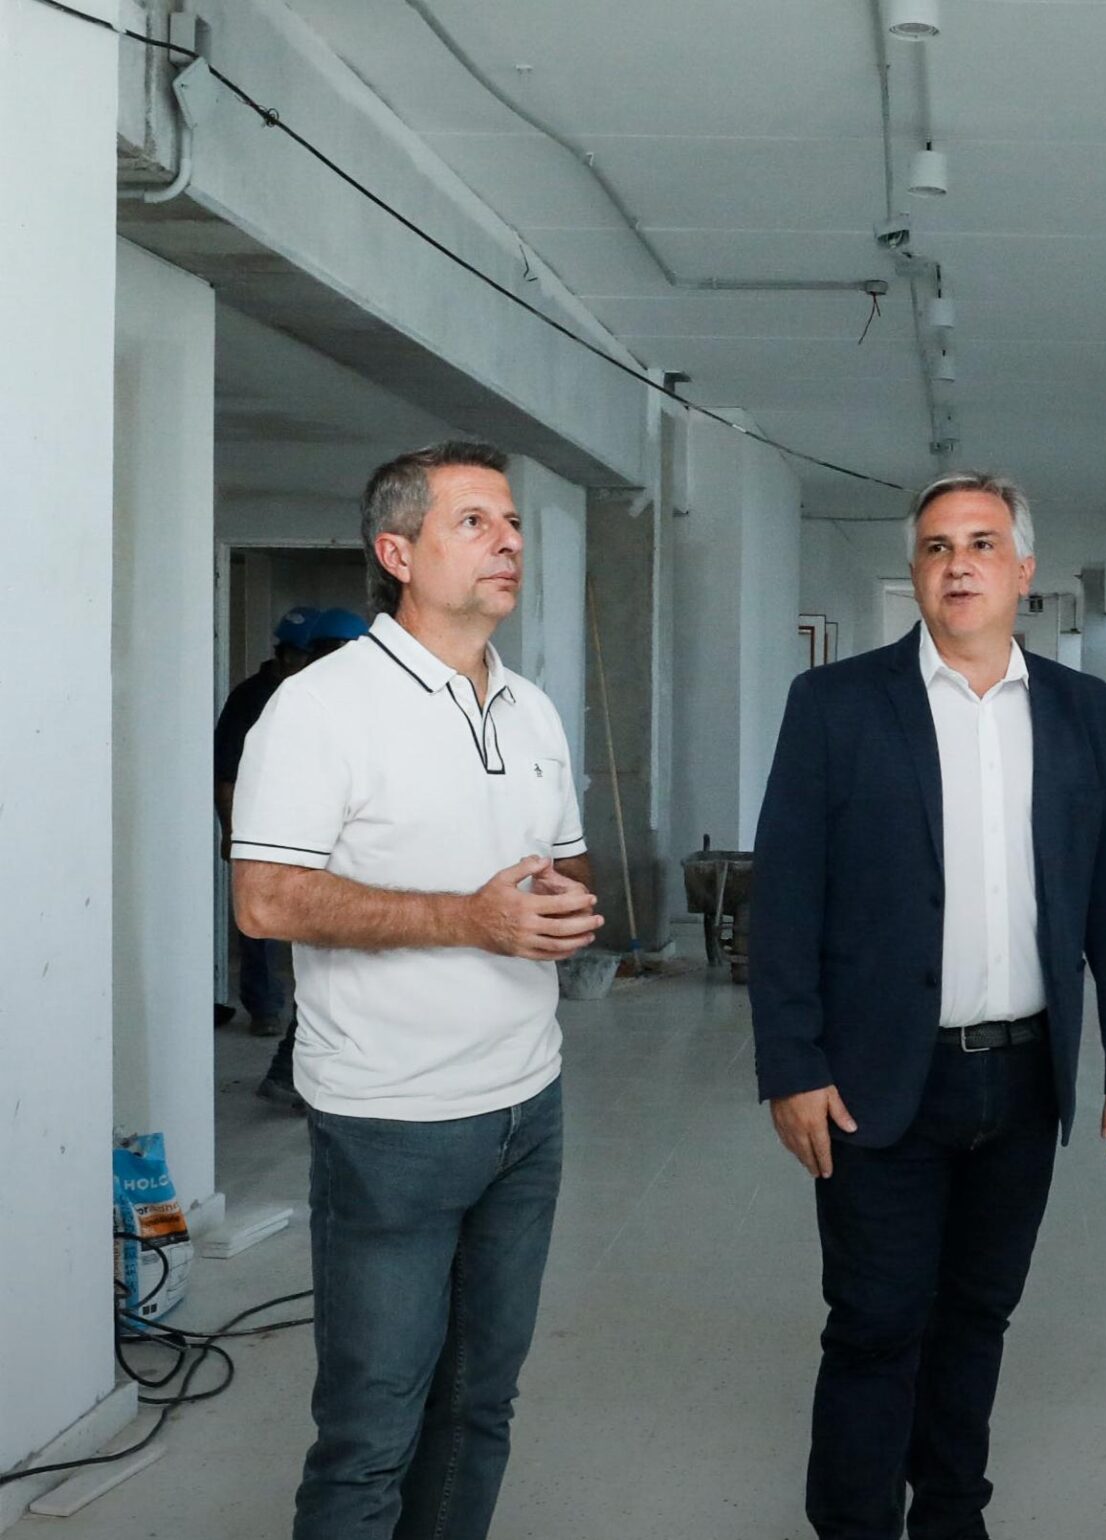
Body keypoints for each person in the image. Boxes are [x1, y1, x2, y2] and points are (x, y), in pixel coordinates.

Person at [751, 470, 1106, 1540]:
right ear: (916, 571)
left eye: (982, 543)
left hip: (1023, 1078)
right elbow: (786, 898)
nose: (959, 564)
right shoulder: (837, 705)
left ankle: (950, 1516)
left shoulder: (1081, 712)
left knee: (978, 1314)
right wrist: (791, 1065)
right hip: (879, 1079)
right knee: (876, 1322)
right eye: (937, 546)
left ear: (1023, 569)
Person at [231, 442, 600, 1540]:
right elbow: (265, 899)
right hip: (390, 1120)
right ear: (397, 554)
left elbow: (563, 862)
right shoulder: (322, 708)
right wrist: (469, 918)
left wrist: (559, 903)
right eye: (474, 522)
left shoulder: (530, 708)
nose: (509, 541)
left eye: (512, 522)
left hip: (527, 1106)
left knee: (480, 1405)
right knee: (370, 1433)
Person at [220, 606, 375, 1112]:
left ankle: (293, 1070)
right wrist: (234, 833)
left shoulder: (335, 699)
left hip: (328, 851)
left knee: (332, 968)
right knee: (321, 962)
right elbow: (230, 776)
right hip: (290, 847)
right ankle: (287, 1060)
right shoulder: (277, 701)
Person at [217, 606, 321, 1045]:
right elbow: (226, 773)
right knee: (259, 920)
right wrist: (231, 831)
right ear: (284, 655)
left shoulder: (324, 695)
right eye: (300, 656)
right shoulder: (250, 699)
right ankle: (264, 1006)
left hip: (316, 824)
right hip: (262, 824)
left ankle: (309, 1013)